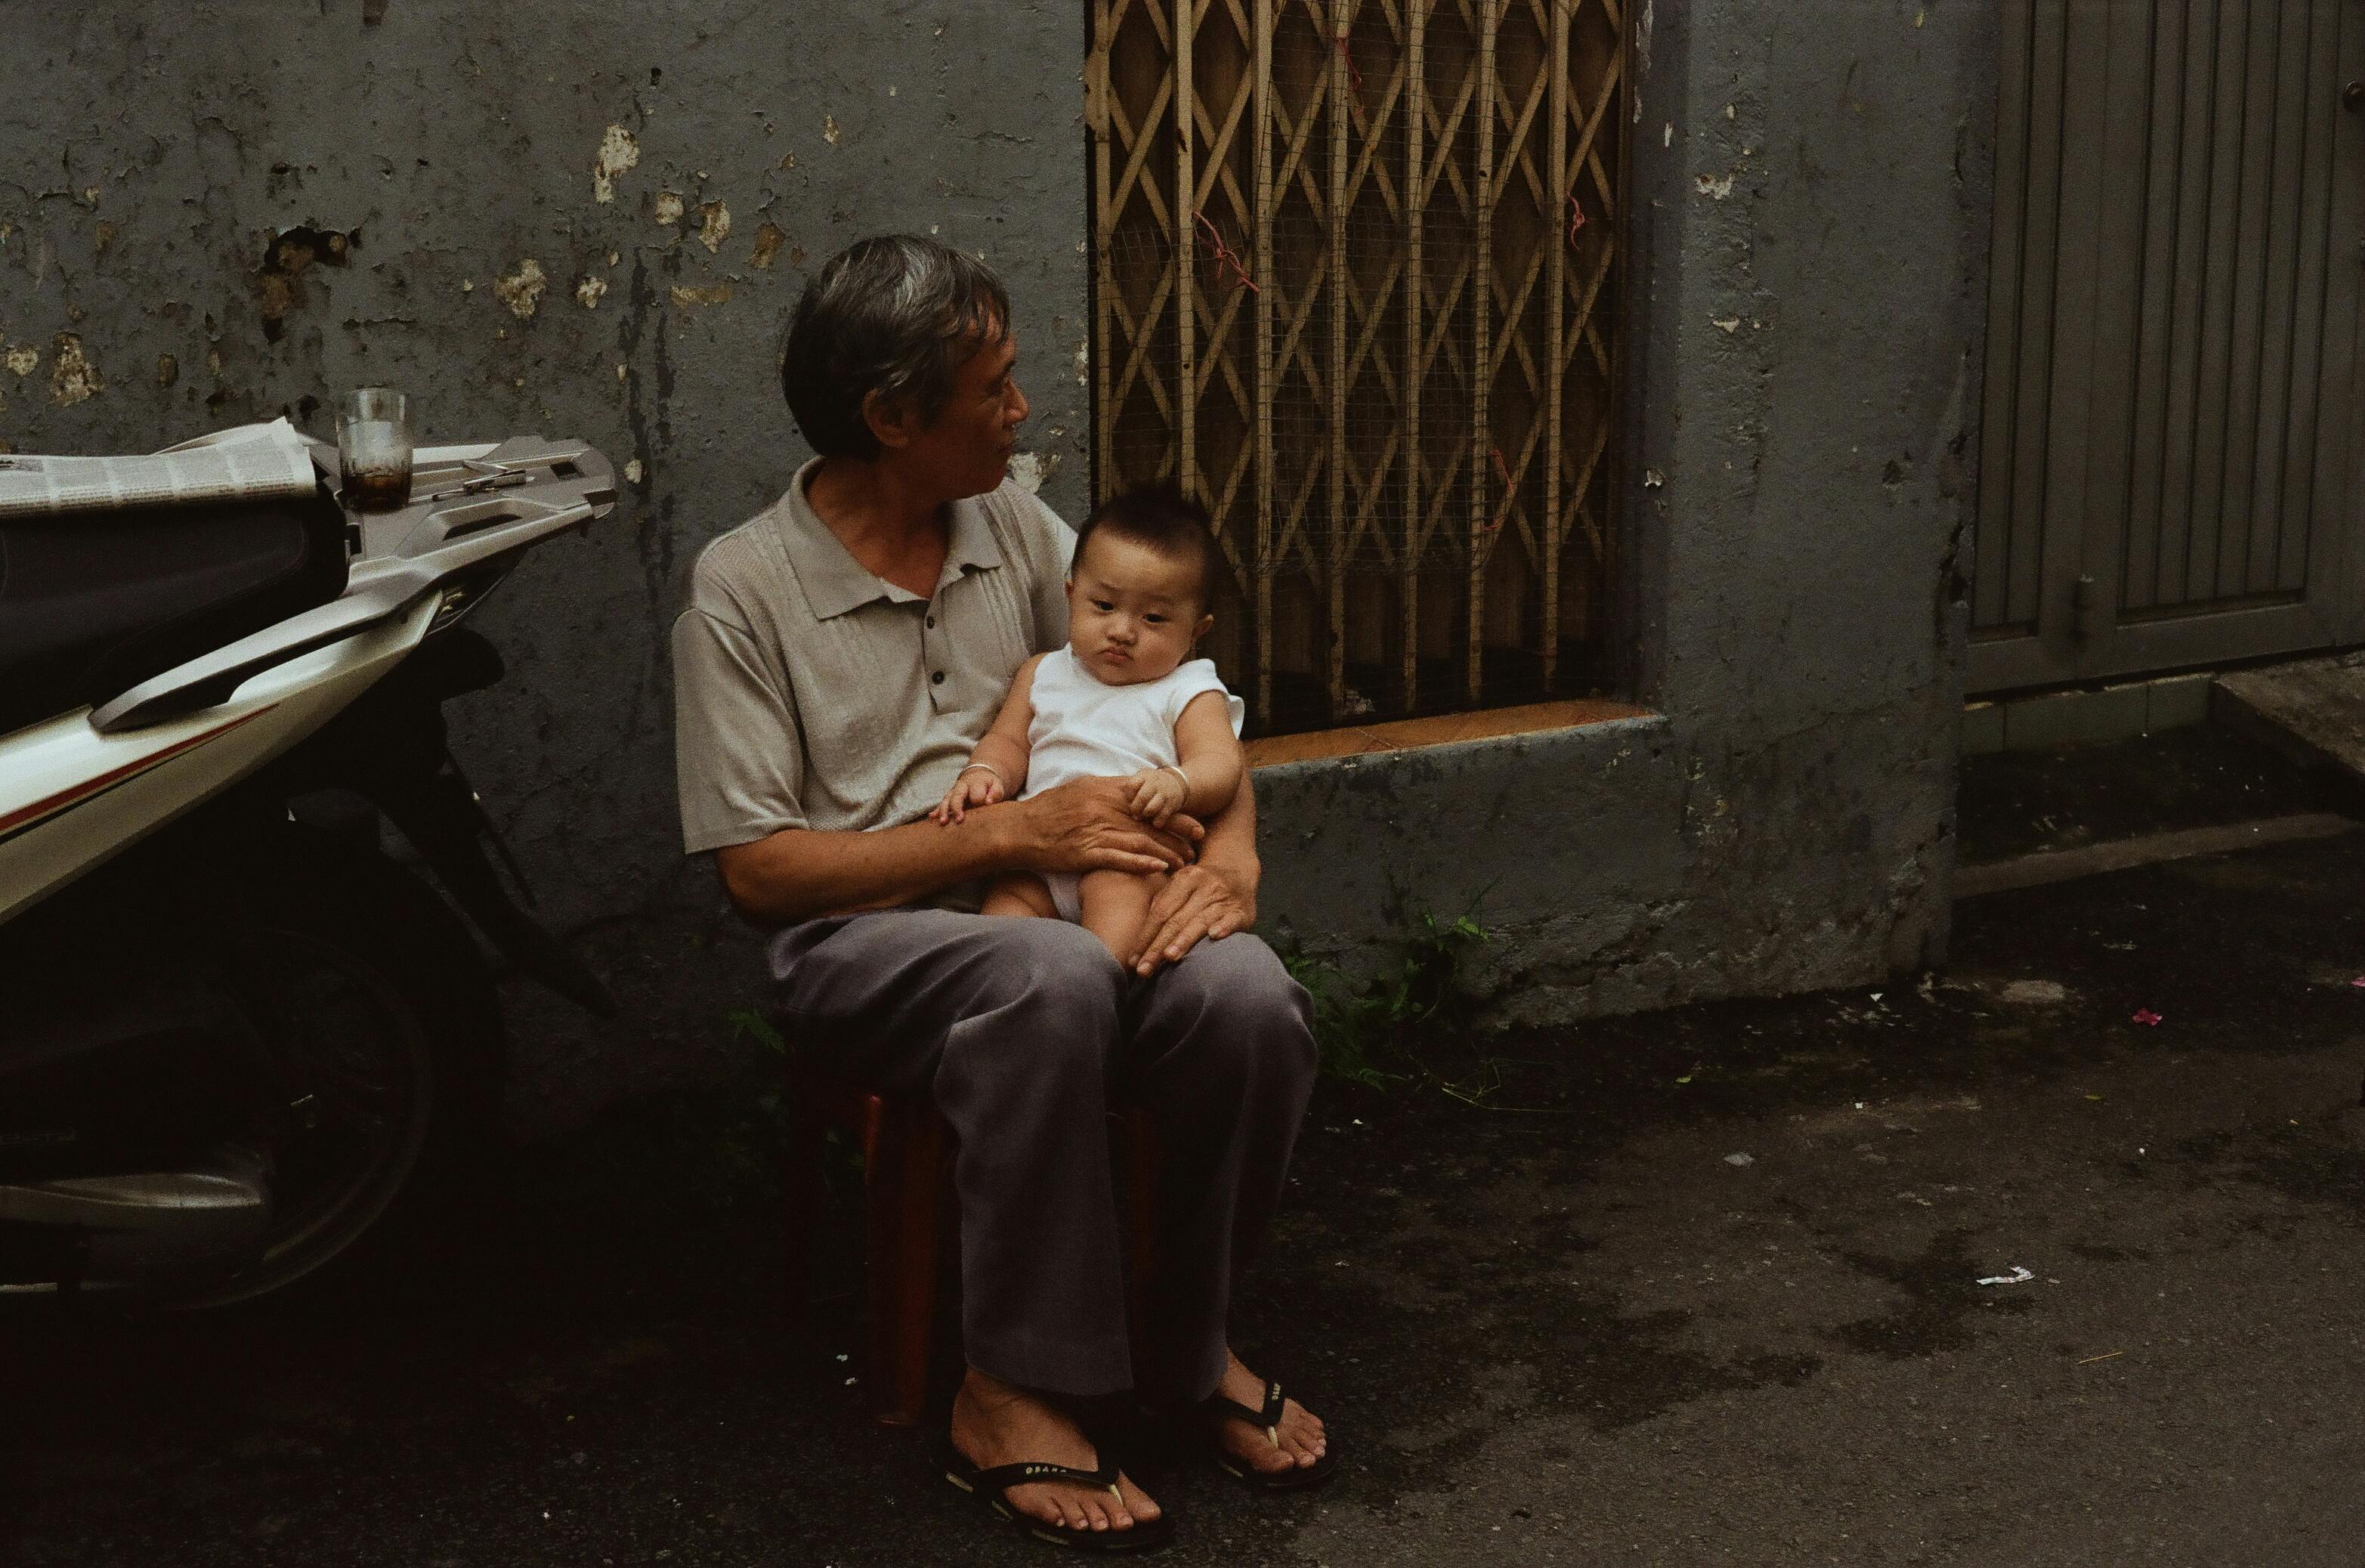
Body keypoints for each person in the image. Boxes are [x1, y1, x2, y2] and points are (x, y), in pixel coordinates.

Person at [669, 234, 1332, 1551]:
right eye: (994, 389)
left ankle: (1185, 1345)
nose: (1022, 412)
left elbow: (1178, 696)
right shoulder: (742, 591)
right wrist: (999, 838)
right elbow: (761, 875)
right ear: (895, 417)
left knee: (1251, 999)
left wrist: (1237, 857)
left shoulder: (1020, 531)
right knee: (1049, 973)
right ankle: (1011, 1383)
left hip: (1072, 894)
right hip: (868, 946)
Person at [932, 486, 1244, 963]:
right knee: (1003, 921)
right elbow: (1009, 742)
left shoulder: (1190, 690)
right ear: (1071, 595)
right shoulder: (1043, 672)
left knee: (1104, 948)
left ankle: (1107, 997)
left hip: (1126, 859)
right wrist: (985, 775)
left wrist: (1179, 784)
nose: (1122, 630)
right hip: (1037, 861)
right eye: (1103, 606)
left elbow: (1222, 764)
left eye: (1155, 617)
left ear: (1196, 631)